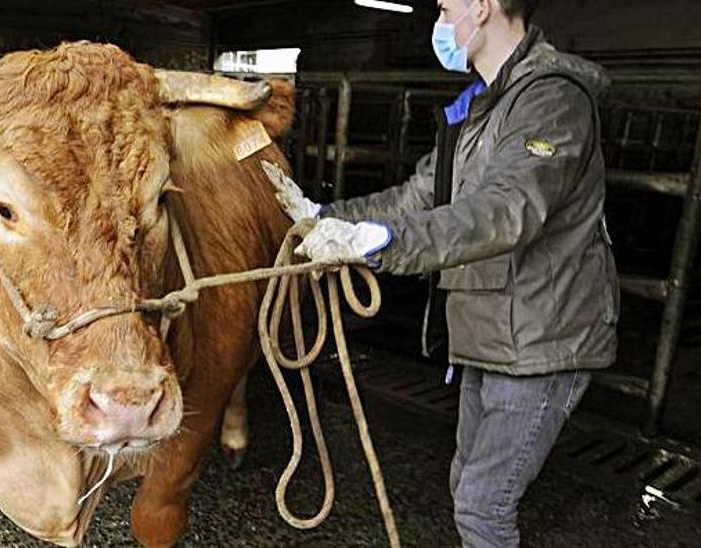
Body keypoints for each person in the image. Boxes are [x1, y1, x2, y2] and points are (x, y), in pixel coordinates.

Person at [261, 0, 619, 546]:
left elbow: (508, 208)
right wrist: (324, 217)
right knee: (467, 487)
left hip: (543, 337)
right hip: (489, 332)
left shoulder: (551, 99)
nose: (439, 21)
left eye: (446, 7)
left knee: (483, 506)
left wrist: (383, 244)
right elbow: (414, 198)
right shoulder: (477, 109)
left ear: (482, 8)